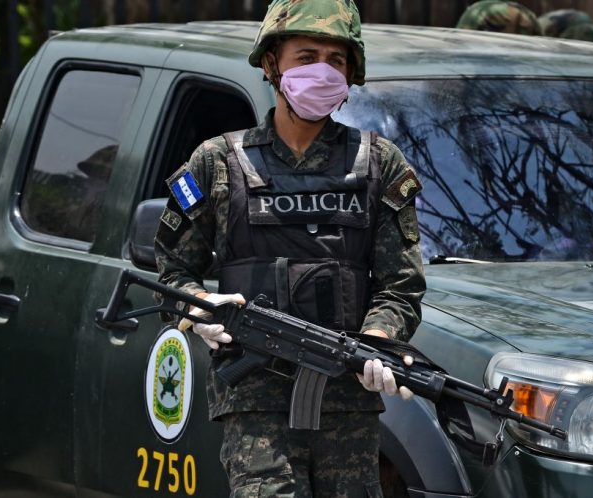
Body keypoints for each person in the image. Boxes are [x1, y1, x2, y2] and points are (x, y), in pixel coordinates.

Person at [154, 0, 426, 495]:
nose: (322, 70)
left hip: (348, 397)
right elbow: (171, 272)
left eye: (336, 59)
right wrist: (201, 309)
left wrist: (381, 339)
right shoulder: (217, 163)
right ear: (270, 64)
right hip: (256, 401)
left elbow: (401, 285)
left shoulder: (378, 164)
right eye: (306, 56)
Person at [456, 0, 542, 36]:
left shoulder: (478, 10)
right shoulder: (526, 12)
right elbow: (542, 46)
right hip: (520, 69)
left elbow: (460, 41)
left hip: (484, 66)